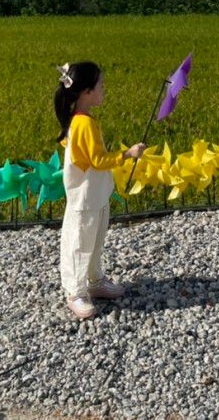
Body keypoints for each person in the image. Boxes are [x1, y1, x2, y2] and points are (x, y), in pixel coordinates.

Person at [55, 61, 146, 320]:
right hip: (85, 197)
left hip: (95, 195)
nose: (104, 89)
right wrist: (128, 153)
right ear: (86, 92)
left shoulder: (81, 121)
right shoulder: (84, 124)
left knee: (94, 241)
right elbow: (98, 160)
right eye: (100, 85)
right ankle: (75, 291)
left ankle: (94, 280)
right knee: (81, 243)